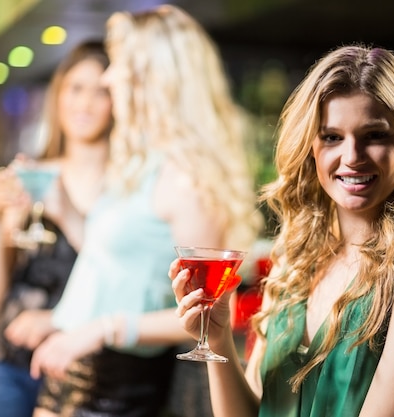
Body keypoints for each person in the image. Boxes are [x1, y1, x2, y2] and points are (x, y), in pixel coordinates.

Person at [170, 44, 394, 417]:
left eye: (374, 135)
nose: (351, 157)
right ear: (310, 147)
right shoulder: (292, 263)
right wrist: (217, 338)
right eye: (332, 137)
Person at [29, 4, 262, 417]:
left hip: (119, 382)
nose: (106, 77)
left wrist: (102, 329)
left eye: (118, 65)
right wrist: (60, 317)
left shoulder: (188, 177)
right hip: (74, 370)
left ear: (153, 79)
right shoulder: (144, 162)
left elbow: (204, 314)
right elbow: (116, 266)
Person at [0, 40, 112, 417]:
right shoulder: (28, 177)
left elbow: (121, 280)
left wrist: (57, 318)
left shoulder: (126, 189)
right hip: (1, 363)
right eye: (75, 88)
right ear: (58, 95)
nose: (85, 103)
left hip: (83, 372)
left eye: (101, 91)